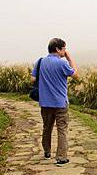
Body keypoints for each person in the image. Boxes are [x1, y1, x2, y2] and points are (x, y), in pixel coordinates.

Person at [31, 38, 78, 166]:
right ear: (58, 49)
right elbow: (75, 75)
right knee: (62, 129)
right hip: (60, 103)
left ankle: (47, 152)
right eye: (64, 48)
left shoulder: (40, 62)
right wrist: (69, 59)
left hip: (45, 102)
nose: (65, 51)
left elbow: (32, 79)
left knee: (47, 127)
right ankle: (61, 158)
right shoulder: (62, 63)